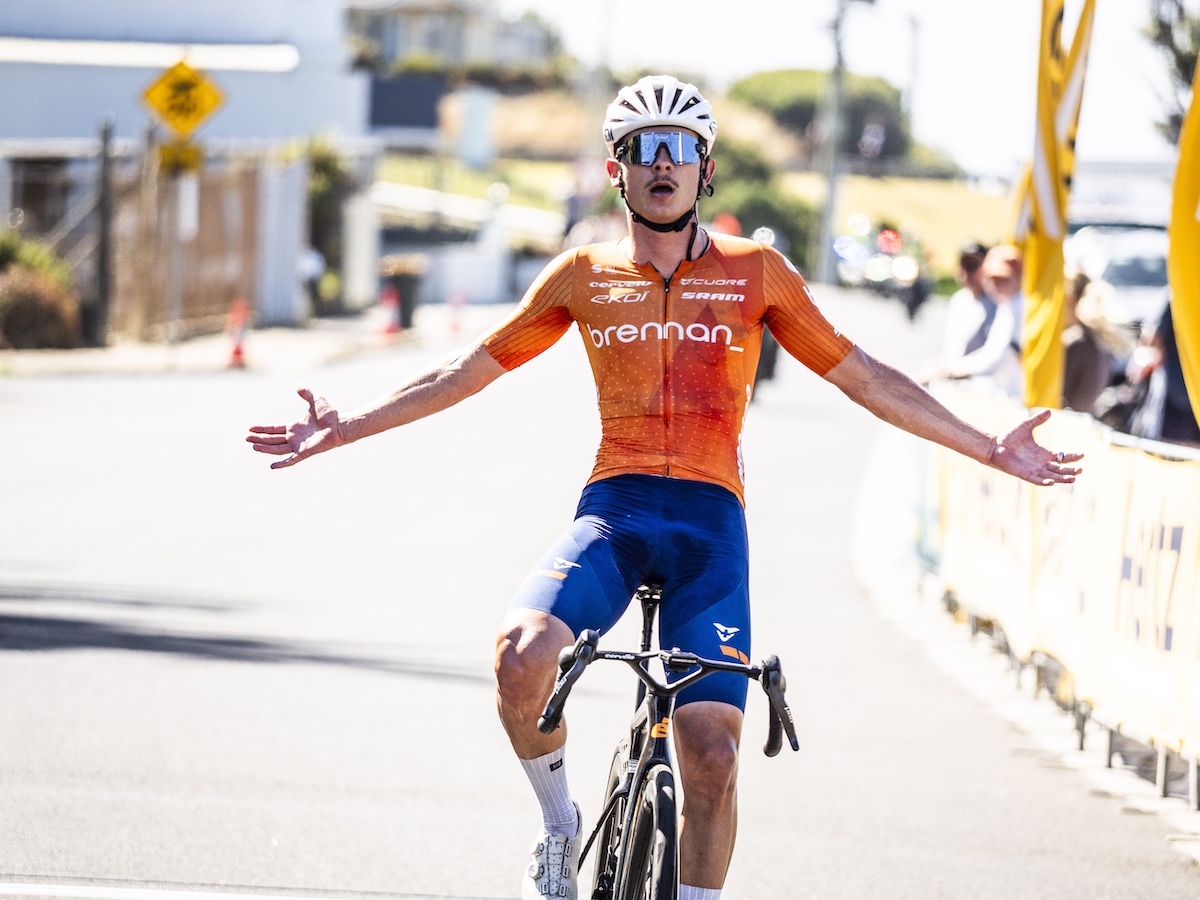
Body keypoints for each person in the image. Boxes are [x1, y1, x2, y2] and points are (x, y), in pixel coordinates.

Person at [246, 75, 1082, 900]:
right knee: (518, 657)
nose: (662, 163)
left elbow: (863, 377)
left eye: (680, 148)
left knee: (712, 755)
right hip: (615, 512)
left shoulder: (757, 273)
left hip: (710, 528)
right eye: (642, 148)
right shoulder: (582, 276)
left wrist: (985, 446)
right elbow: (466, 370)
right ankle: (558, 825)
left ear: (704, 168)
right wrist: (347, 423)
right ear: (616, 168)